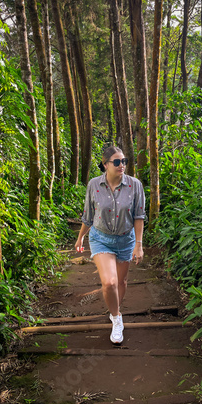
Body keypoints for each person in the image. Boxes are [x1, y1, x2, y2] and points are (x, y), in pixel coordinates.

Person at [75, 146, 145, 344]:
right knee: (110, 283)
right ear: (105, 164)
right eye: (116, 162)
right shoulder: (94, 185)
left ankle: (115, 310)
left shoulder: (135, 185)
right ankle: (116, 318)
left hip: (125, 239)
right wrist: (80, 237)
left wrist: (138, 245)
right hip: (100, 238)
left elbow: (139, 216)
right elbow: (88, 215)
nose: (121, 165)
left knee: (121, 283)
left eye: (124, 161)